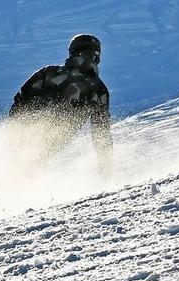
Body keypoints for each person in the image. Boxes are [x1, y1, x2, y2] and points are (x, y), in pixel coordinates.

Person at [9, 34, 112, 176]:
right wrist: (106, 171)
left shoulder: (49, 72)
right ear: (97, 55)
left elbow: (21, 100)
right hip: (52, 140)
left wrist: (13, 130)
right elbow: (101, 134)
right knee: (32, 165)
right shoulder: (99, 90)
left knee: (19, 166)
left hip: (26, 133)